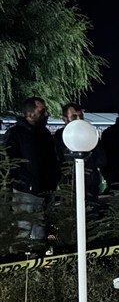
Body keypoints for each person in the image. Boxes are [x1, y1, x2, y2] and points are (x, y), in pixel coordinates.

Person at [3, 96, 60, 242]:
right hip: (25, 193)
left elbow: (53, 159)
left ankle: (41, 261)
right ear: (30, 114)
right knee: (24, 232)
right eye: (42, 111)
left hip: (46, 191)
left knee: (42, 233)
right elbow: (11, 162)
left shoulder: (45, 134)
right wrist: (28, 182)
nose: (46, 114)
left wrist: (54, 179)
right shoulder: (15, 134)